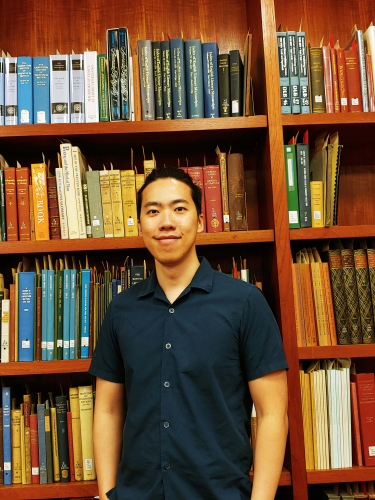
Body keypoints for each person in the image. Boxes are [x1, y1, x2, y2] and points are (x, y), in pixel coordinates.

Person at [89, 167, 289, 500]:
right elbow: (108, 409)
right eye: (153, 211)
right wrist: (108, 493)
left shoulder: (245, 303)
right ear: (140, 225)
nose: (166, 221)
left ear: (199, 221)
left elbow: (272, 414)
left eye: (179, 208)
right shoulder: (121, 310)